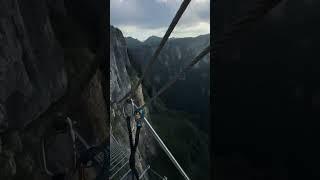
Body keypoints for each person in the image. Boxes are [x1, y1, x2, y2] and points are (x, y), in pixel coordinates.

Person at [126, 108, 144, 180]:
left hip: (132, 152)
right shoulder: (132, 168)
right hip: (132, 152)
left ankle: (137, 125)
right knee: (131, 136)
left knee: (134, 138)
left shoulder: (133, 168)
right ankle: (129, 121)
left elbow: (136, 174)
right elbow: (135, 174)